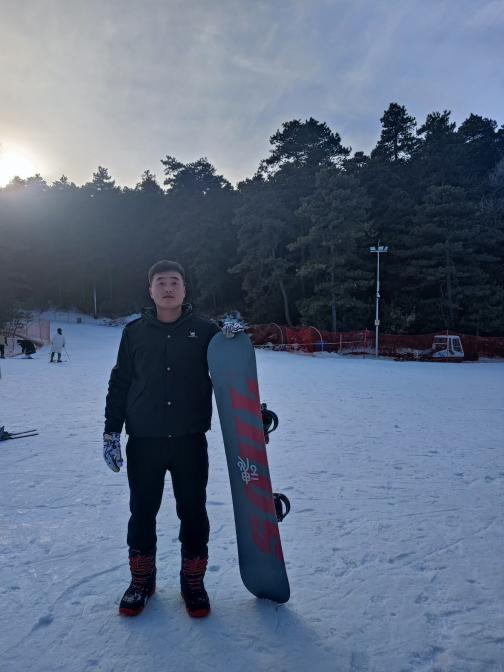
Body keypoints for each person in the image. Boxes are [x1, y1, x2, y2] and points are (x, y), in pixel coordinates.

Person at [103, 260, 219, 618]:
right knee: (141, 511)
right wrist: (111, 431)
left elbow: (230, 379)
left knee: (193, 512)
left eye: (175, 282)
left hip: (189, 440)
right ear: (150, 290)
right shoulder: (134, 333)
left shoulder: (207, 331)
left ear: (185, 289)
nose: (168, 288)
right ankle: (142, 580)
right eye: (161, 282)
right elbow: (121, 382)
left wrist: (249, 414)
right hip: (144, 440)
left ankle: (192, 581)